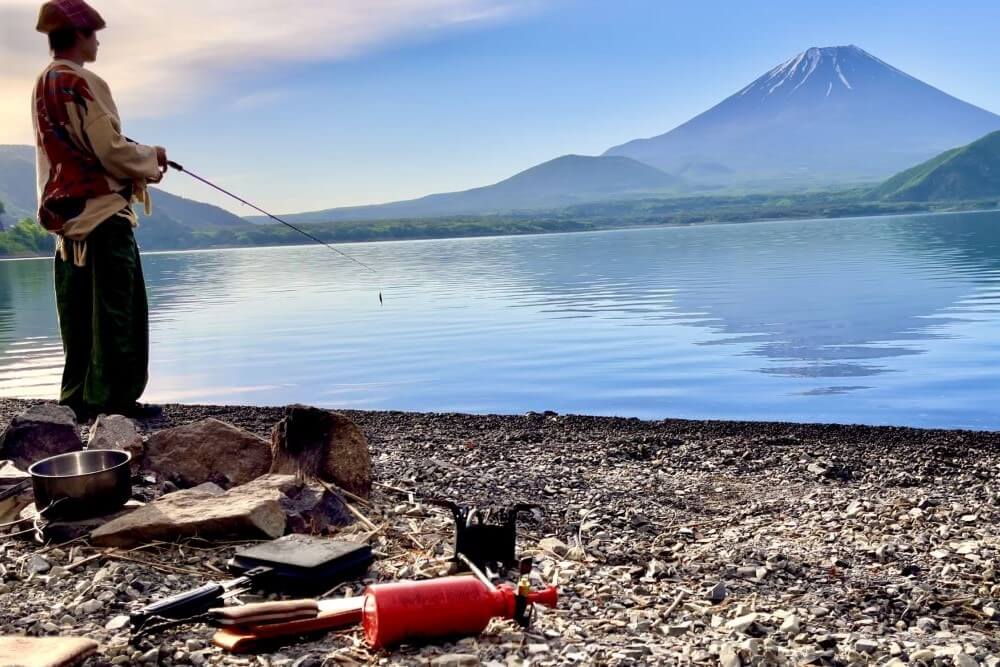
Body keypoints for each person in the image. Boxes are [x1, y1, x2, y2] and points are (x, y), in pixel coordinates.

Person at [32, 0, 167, 420]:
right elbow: (109, 150)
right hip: (105, 218)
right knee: (117, 312)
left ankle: (77, 398)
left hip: (66, 220)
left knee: (78, 315)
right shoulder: (84, 82)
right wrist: (151, 156)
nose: (97, 43)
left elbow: (75, 148)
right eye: (93, 34)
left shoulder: (42, 83)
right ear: (78, 36)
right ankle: (115, 402)